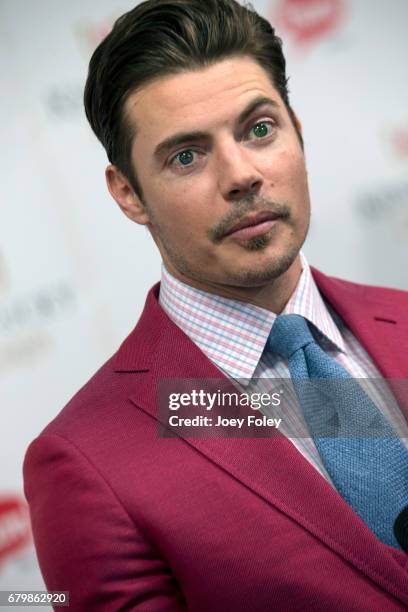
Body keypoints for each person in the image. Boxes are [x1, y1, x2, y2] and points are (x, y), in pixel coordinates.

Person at [24, 0, 408, 610]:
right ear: (128, 193)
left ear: (297, 132)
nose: (241, 175)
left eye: (259, 129)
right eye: (186, 156)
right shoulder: (86, 463)